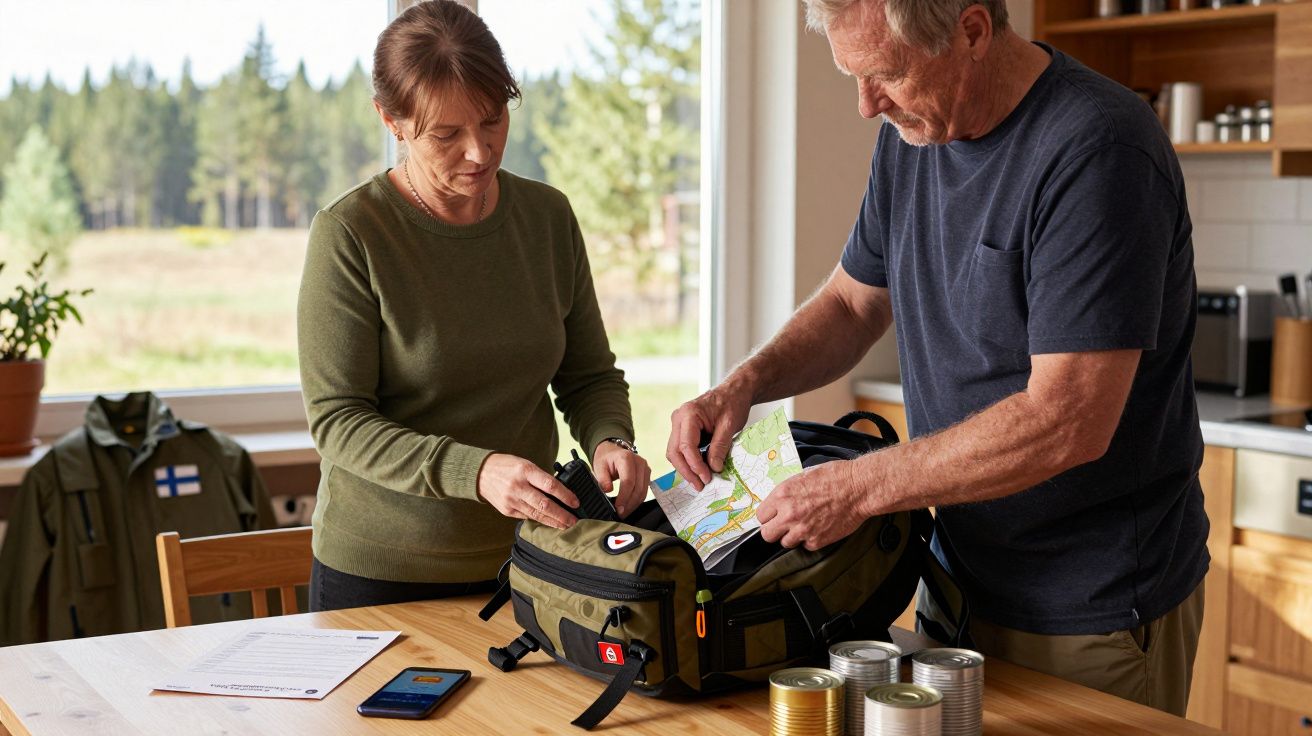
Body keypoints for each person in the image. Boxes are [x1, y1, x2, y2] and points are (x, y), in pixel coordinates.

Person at [668, 0, 1206, 717]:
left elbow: (1068, 419)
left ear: (973, 32)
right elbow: (853, 303)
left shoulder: (1097, 151)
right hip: (953, 586)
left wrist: (857, 488)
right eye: (852, 77)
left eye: (885, 74)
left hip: (1090, 609)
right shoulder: (915, 134)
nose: (864, 106)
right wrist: (744, 384)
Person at [298, 0, 650, 612]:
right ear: (391, 120)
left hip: (532, 558)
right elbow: (338, 422)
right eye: (446, 134)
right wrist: (477, 473)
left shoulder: (547, 218)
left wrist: (610, 440)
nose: (479, 152)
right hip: (382, 575)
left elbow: (587, 375)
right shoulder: (351, 233)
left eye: (492, 121)